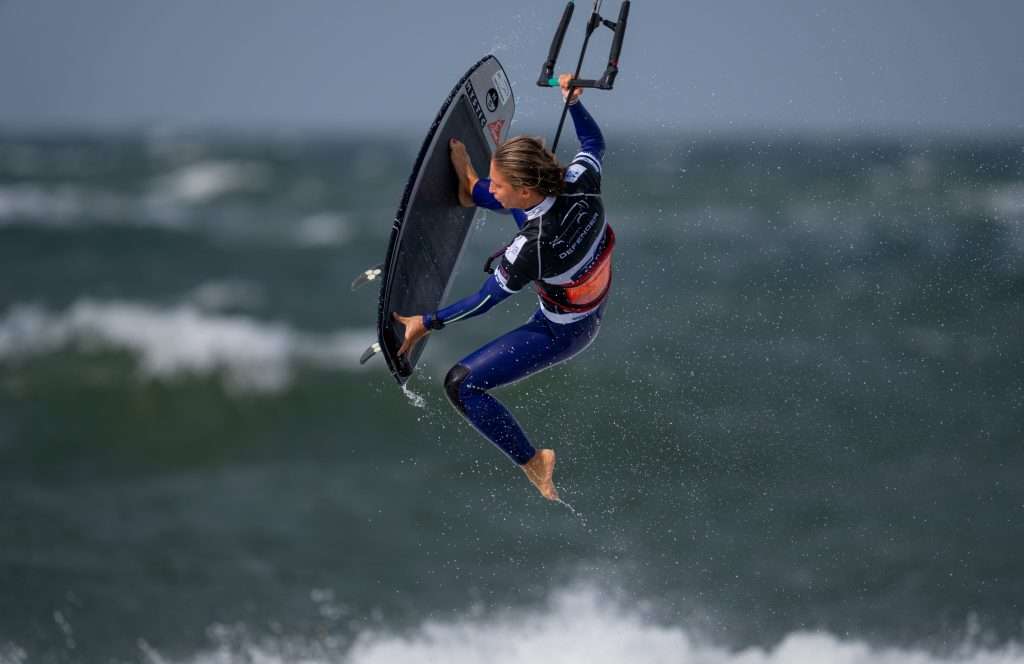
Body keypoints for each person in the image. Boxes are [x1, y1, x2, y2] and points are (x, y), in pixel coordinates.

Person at [393, 73, 614, 501]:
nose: (498, 190)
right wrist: (574, 105)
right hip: (576, 272)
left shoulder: (531, 248)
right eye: (492, 182)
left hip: (565, 329)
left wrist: (427, 321)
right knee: (528, 209)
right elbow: (594, 146)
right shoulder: (580, 181)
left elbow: (482, 303)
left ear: (526, 188)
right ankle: (468, 188)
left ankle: (533, 460)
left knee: (462, 384)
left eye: (497, 185)